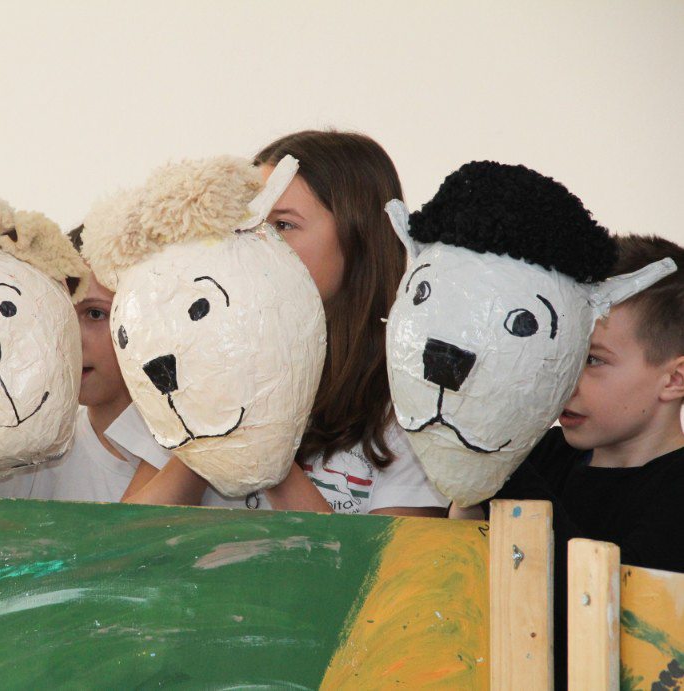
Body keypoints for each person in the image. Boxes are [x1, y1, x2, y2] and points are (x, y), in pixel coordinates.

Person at [120, 130, 446, 516]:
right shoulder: (187, 362)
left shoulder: (414, 405)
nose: (256, 243)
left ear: (359, 238)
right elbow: (126, 537)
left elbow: (390, 555)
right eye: (246, 225)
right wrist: (206, 429)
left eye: (282, 225)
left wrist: (265, 446)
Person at [452, 233, 684, 572]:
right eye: (563, 353)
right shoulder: (540, 452)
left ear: (675, 380)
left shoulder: (675, 493)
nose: (563, 379)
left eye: (592, 360)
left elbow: (604, 592)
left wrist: (501, 465)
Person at [0, 226, 160, 502]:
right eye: (59, 311)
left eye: (95, 314)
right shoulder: (44, 437)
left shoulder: (179, 444)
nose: (70, 335)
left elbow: (126, 527)